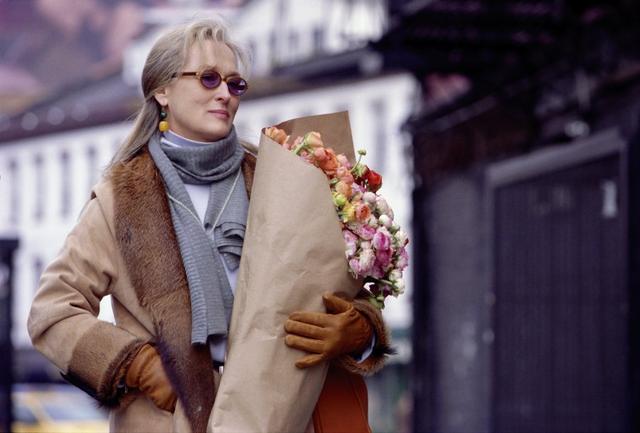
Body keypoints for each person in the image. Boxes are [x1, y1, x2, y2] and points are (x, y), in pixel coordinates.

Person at [27, 18, 391, 433]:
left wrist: (359, 332)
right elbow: (52, 311)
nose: (225, 94)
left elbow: (339, 290)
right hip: (168, 421)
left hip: (281, 416)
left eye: (235, 84)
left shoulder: (280, 179)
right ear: (162, 91)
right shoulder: (121, 200)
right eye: (208, 78)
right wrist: (139, 366)